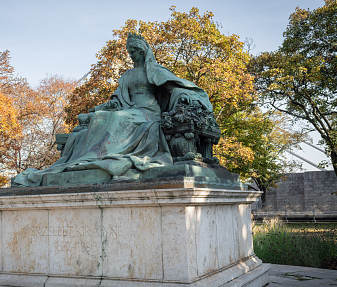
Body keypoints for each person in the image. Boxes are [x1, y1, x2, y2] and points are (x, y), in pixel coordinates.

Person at [11, 33, 213, 187]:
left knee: (119, 119)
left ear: (142, 52)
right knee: (102, 116)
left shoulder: (154, 71)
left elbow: (176, 88)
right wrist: (105, 106)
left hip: (148, 112)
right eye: (129, 52)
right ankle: (93, 157)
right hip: (129, 109)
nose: (131, 55)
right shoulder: (126, 75)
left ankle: (102, 155)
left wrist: (185, 96)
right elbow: (117, 98)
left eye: (133, 52)